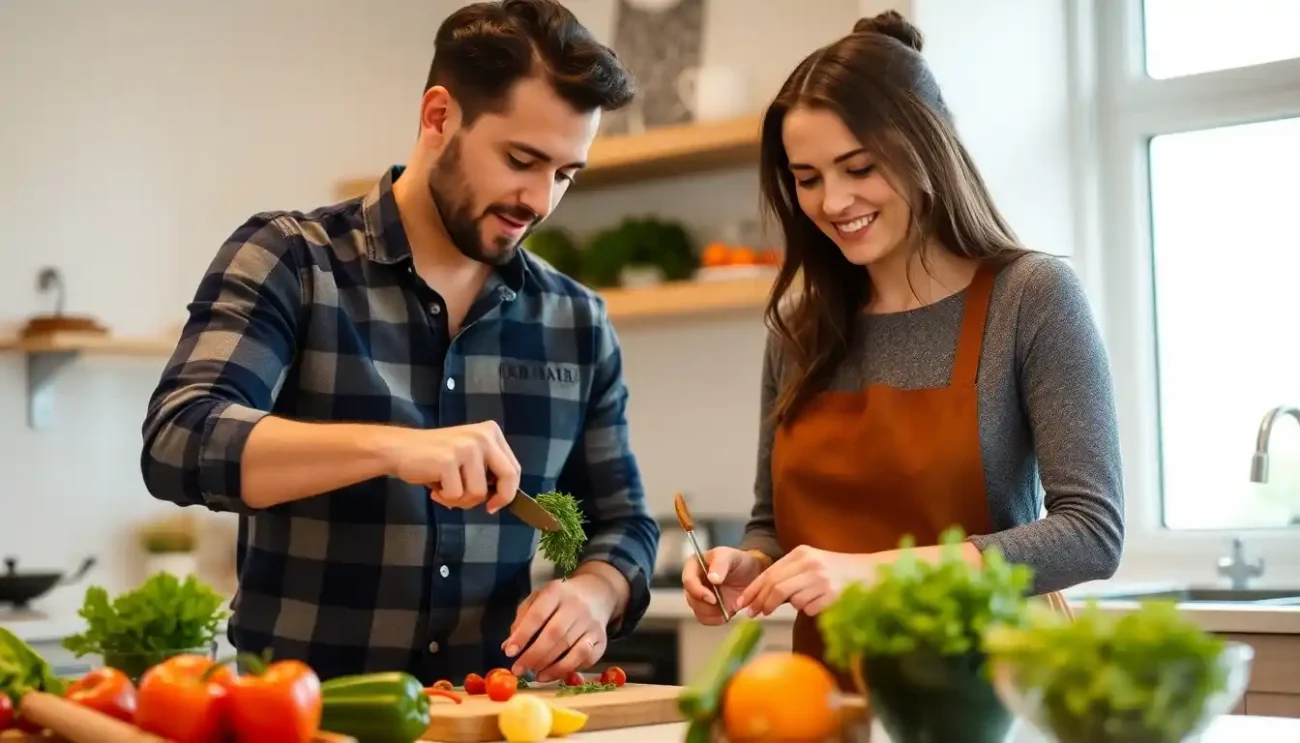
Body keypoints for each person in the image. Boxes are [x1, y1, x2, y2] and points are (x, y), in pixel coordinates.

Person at [141, 0, 659, 686]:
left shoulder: (578, 322)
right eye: (521, 159)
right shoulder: (292, 260)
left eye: (566, 174)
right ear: (439, 116)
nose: (539, 199)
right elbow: (179, 439)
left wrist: (596, 593)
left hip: (491, 719)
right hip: (302, 721)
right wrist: (394, 445)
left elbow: (624, 525)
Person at [682, 11, 1124, 679]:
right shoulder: (799, 328)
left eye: (859, 167)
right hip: (833, 689)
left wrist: (875, 574)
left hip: (995, 688)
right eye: (807, 178)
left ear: (925, 147)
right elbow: (772, 521)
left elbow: (1091, 532)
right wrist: (750, 564)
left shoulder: (1030, 296)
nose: (834, 201)